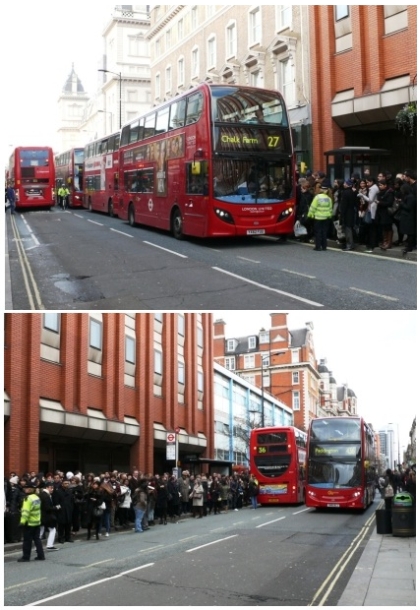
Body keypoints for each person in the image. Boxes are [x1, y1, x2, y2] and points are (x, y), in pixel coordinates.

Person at [18, 481, 45, 562]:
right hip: (37, 522)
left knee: (27, 541)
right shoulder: (37, 497)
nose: (25, 489)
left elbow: (25, 512)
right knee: (37, 539)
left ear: (30, 489)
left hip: (29, 523)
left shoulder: (27, 499)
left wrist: (22, 522)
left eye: (26, 488)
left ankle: (26, 557)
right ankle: (41, 555)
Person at [307, 180, 333, 251]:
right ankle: (324, 246)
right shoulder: (329, 199)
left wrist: (310, 215)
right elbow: (330, 209)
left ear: (321, 189)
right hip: (326, 218)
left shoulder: (317, 197)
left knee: (318, 232)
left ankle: (318, 247)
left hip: (318, 218)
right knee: (324, 232)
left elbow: (313, 207)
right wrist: (330, 216)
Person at [53, 479, 74, 544]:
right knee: (61, 525)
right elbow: (56, 502)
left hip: (68, 510)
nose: (66, 484)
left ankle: (68, 537)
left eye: (67, 483)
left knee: (68, 524)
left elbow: (71, 500)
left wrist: (71, 507)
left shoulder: (70, 491)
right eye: (65, 483)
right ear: (62, 484)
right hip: (61, 510)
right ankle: (61, 538)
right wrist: (59, 508)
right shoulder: (58, 492)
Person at [39, 481, 59, 551]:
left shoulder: (41, 494)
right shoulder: (46, 496)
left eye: (53, 488)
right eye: (51, 488)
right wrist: (56, 508)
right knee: (52, 529)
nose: (52, 489)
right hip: (46, 516)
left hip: (41, 516)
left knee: (40, 532)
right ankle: (50, 545)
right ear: (47, 487)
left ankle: (37, 547)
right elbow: (47, 508)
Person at [376, 179, 395, 250]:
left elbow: (389, 203)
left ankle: (389, 243)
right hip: (381, 212)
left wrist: (380, 202)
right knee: (383, 227)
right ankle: (385, 241)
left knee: (388, 227)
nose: (379, 187)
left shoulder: (389, 193)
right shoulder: (380, 193)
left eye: (381, 185)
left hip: (387, 212)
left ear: (385, 185)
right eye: (379, 185)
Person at [398, 183, 416, 257]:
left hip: (409, 217)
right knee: (409, 232)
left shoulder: (410, 197)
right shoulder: (408, 196)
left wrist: (401, 203)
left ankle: (410, 247)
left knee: (410, 232)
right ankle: (409, 246)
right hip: (407, 216)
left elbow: (408, 207)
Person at [340, 179, 358, 251]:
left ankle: (349, 244)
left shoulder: (345, 193)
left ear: (348, 184)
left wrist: (341, 214)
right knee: (350, 228)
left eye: (345, 183)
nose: (344, 184)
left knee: (348, 229)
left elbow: (343, 205)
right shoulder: (353, 192)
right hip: (352, 212)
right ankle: (352, 243)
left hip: (347, 213)